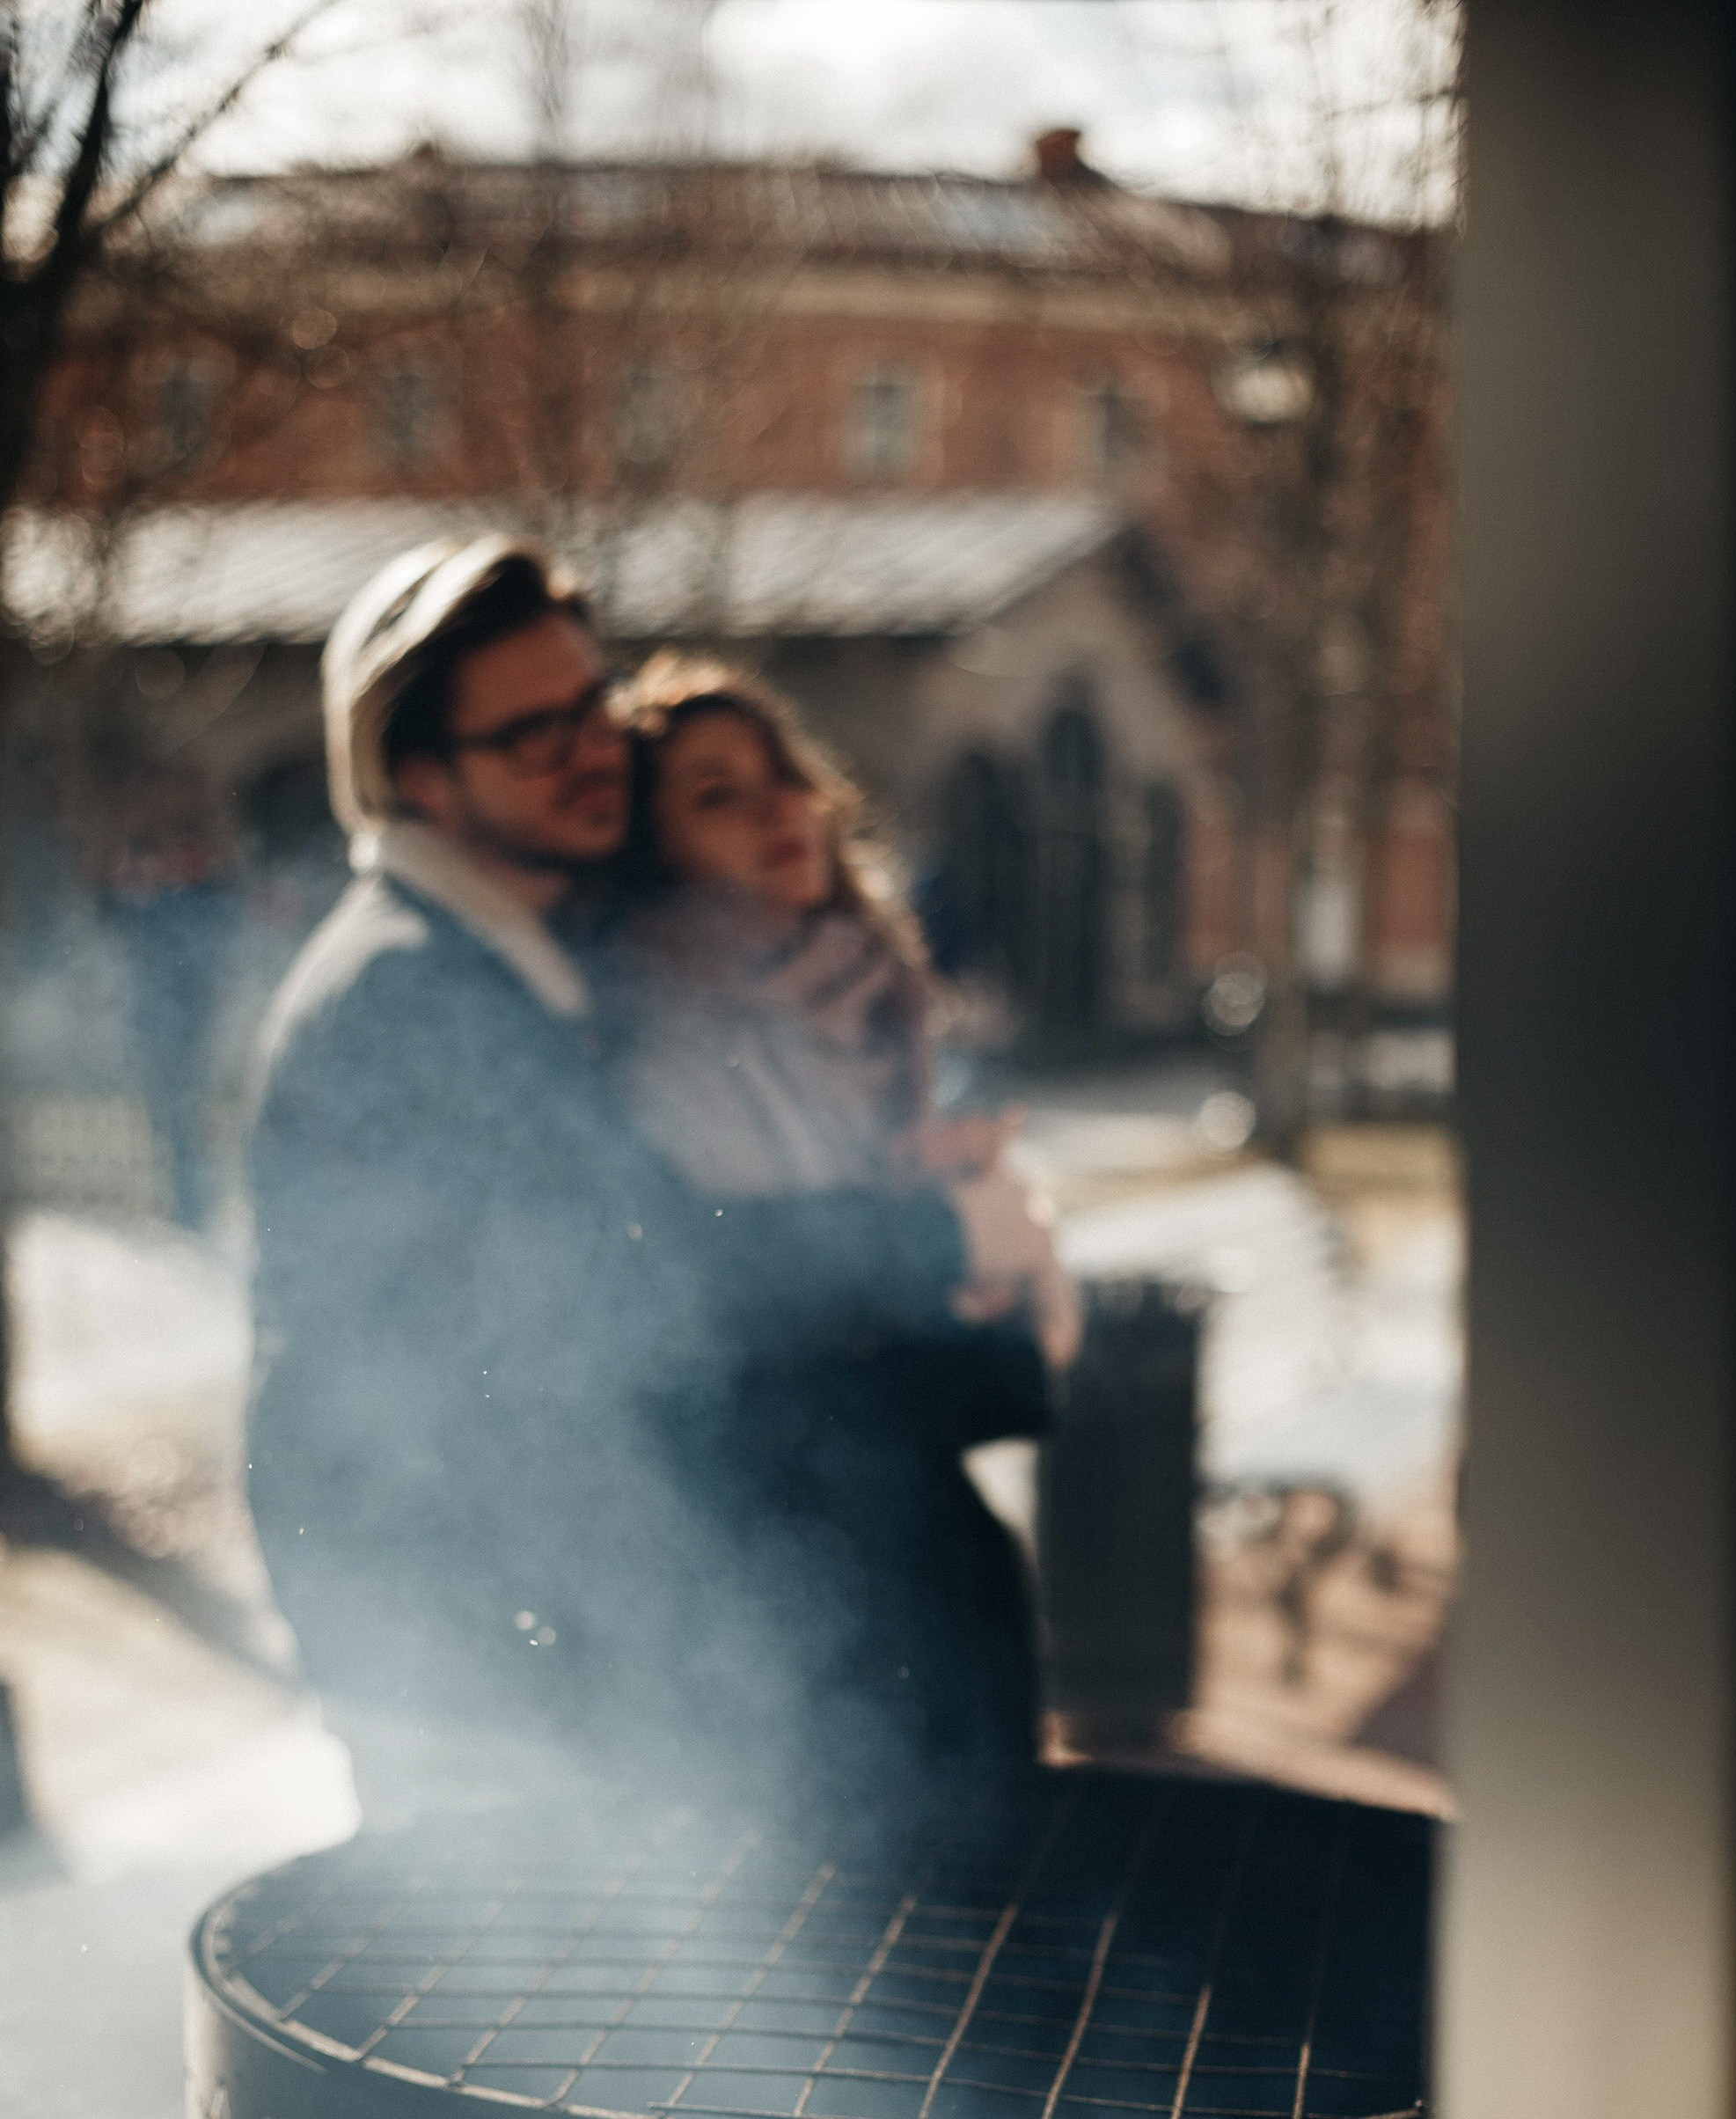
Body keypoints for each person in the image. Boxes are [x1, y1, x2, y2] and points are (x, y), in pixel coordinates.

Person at [246, 537, 1072, 1821]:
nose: (590, 750)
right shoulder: (408, 992)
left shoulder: (521, 957)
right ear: (420, 781)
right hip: (470, 1666)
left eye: (591, 707)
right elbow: (652, 1275)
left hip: (538, 1638)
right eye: (532, 734)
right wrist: (948, 1236)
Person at [604, 651, 1072, 1798]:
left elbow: (966, 1331)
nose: (780, 808)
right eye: (718, 795)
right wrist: (967, 1253)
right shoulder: (667, 1042)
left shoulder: (866, 1003)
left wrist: (981, 1251)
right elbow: (765, 1346)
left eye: (782, 775)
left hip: (937, 1577)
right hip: (808, 1627)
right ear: (651, 852)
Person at [101, 763, 245, 1230]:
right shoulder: (152, 895)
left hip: (188, 1020)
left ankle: (193, 1204)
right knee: (173, 1116)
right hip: (162, 1019)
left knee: (189, 1115)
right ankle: (186, 1204)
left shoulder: (200, 896)